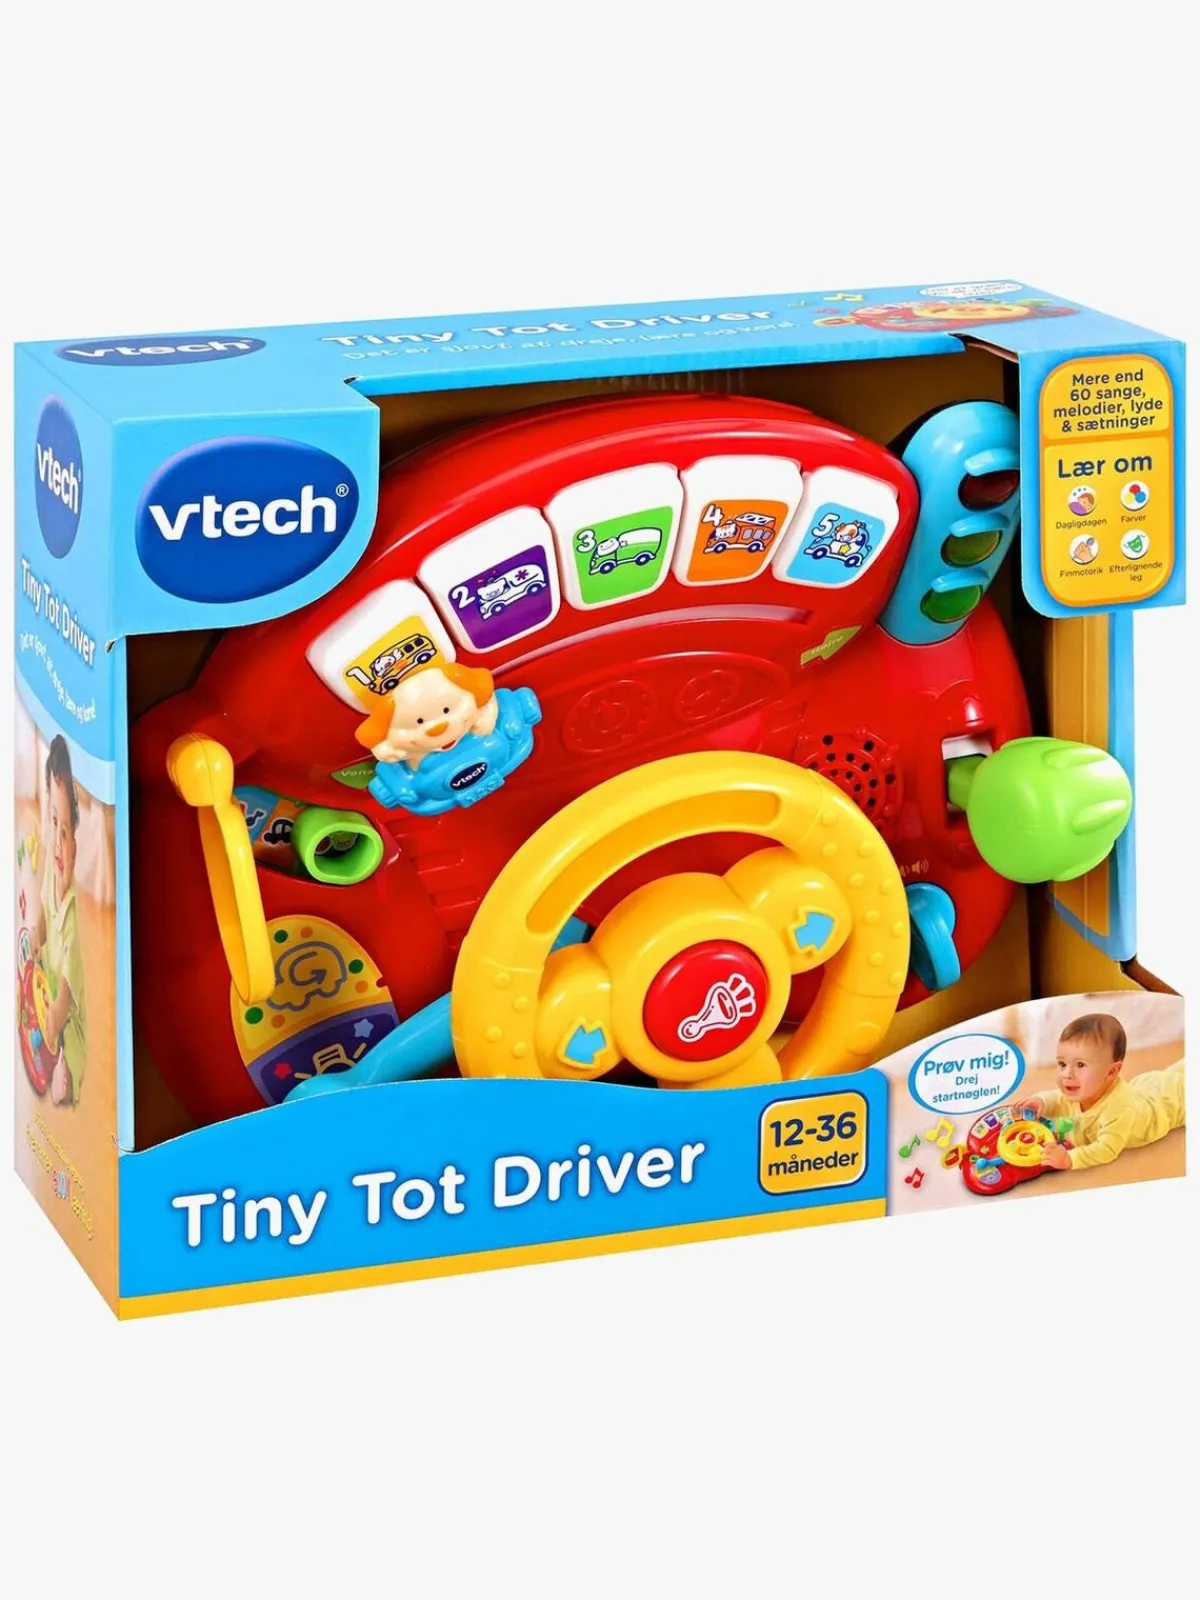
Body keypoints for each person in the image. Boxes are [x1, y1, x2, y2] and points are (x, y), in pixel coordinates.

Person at [1021, 1012, 1184, 1171]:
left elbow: (1106, 1149)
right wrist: (1042, 1101)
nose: (1066, 1074)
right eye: (1062, 1064)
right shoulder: (1081, 1089)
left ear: (1111, 1072)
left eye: (1080, 1065)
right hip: (1147, 1086)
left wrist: (1070, 1159)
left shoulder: (1119, 1109)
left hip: (1174, 1103)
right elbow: (1058, 1098)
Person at [35, 735, 87, 1106]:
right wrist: (33, 944)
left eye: (65, 832)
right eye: (54, 823)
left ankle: (66, 1068)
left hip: (67, 1017)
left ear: (75, 848)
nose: (57, 842)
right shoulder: (50, 878)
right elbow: (39, 921)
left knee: (68, 1048)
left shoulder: (73, 911)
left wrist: (51, 1021)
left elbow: (66, 997)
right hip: (45, 985)